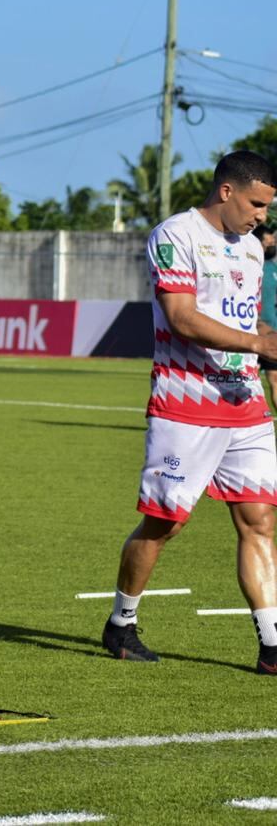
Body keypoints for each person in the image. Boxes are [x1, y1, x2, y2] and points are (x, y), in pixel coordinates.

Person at [102, 150, 277, 674]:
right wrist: (258, 343)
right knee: (164, 524)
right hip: (186, 404)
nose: (262, 217)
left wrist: (268, 343)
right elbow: (181, 318)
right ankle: (121, 624)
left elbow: (248, 324)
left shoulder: (250, 248)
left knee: (260, 521)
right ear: (226, 192)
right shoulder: (174, 235)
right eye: (257, 203)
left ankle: (272, 646)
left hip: (244, 403)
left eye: (267, 207)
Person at [254, 225, 277, 411]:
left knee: (275, 379)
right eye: (268, 241)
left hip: (271, 332)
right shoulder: (247, 263)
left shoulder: (272, 268)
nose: (272, 244)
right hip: (246, 332)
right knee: (244, 380)